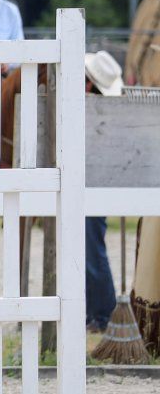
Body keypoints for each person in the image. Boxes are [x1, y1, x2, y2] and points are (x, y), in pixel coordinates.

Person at [84, 50, 122, 331]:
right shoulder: (98, 109)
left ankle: (103, 312)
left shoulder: (94, 112)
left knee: (92, 248)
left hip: (93, 183)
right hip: (93, 181)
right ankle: (94, 311)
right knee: (89, 247)